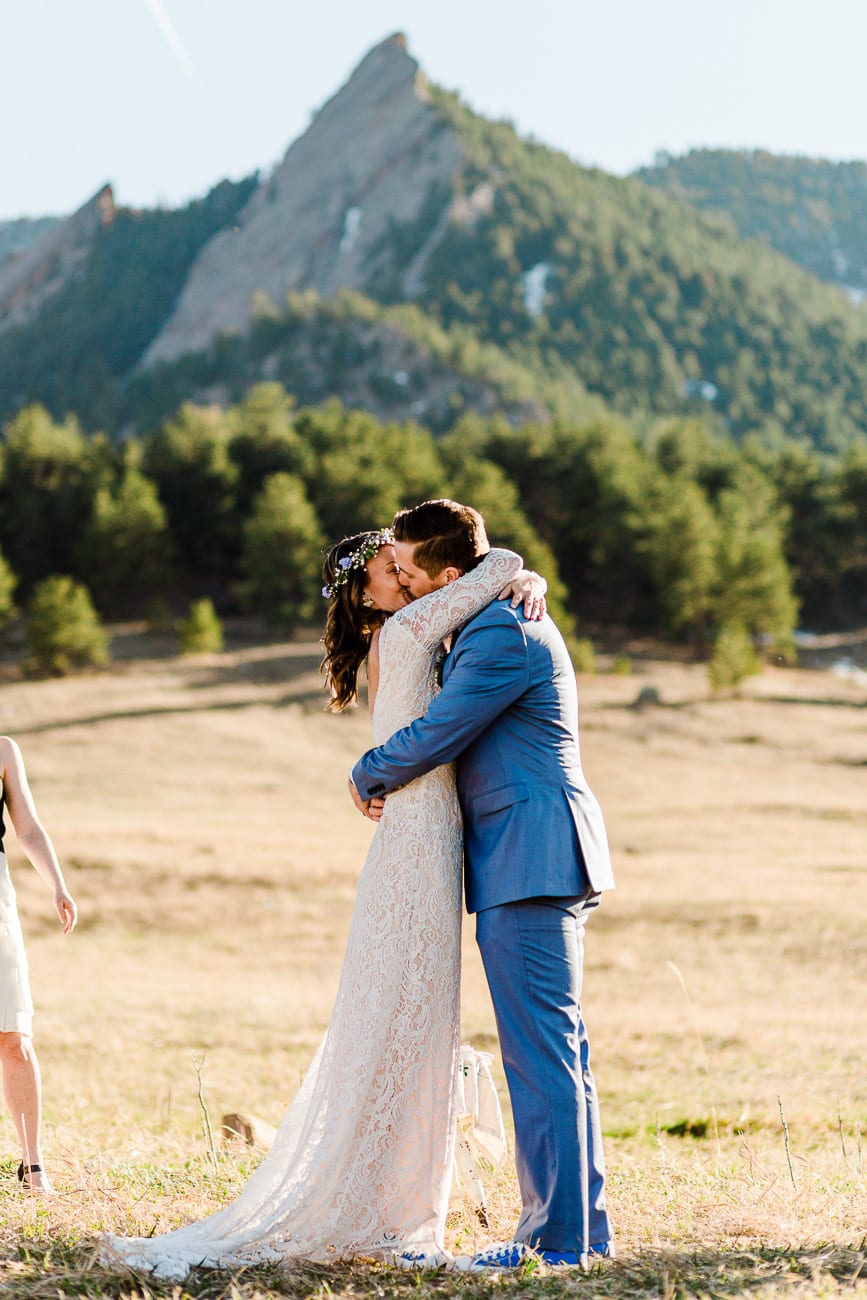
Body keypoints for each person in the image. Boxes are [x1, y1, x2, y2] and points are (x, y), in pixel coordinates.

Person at [102, 525, 543, 1278]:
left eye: (402, 563)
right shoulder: (406, 631)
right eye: (388, 566)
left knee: (406, 1012)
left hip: (415, 833)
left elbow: (464, 582)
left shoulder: (401, 634)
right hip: (419, 839)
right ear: (370, 589)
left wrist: (506, 579)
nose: (402, 575)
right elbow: (487, 565)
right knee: (411, 1011)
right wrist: (520, 573)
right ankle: (393, 1207)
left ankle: (389, 1196)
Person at [349, 499, 616, 1270]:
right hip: (524, 853)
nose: (398, 579)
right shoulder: (489, 614)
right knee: (553, 1049)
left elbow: (443, 730)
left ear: (449, 577)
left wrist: (367, 770)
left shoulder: (500, 628)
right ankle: (578, 1232)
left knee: (540, 1053)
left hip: (530, 852)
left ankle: (557, 1241)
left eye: (407, 570)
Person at [0, 736, 78, 1193]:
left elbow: (27, 828)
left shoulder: (4, 750)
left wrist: (58, 886)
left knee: (14, 1036)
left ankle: (33, 1167)